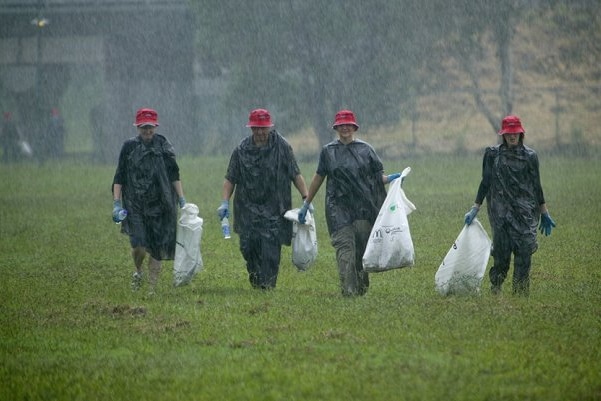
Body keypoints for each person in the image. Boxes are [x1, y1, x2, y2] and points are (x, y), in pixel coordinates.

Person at [298, 110, 403, 297]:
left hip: (363, 209)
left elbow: (378, 177)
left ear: (354, 127)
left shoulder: (366, 150)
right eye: (341, 125)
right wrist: (307, 202)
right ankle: (349, 293)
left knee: (360, 252)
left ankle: (361, 284)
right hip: (337, 210)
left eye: (348, 124)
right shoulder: (328, 152)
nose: (345, 128)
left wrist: (392, 179)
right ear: (336, 128)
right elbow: (318, 178)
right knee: (345, 250)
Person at [464, 115, 556, 296]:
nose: (512, 137)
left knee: (524, 253)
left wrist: (544, 211)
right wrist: (476, 206)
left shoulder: (530, 156)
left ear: (521, 133)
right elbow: (486, 182)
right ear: (503, 135)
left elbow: (536, 184)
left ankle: (520, 295)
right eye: (509, 133)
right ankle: (496, 287)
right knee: (501, 255)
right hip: (500, 213)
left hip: (525, 212)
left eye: (515, 133)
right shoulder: (492, 154)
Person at [217, 108, 309, 290]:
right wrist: (225, 202)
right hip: (247, 208)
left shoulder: (282, 147)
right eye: (255, 128)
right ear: (250, 128)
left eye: (263, 128)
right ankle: (256, 278)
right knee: (248, 248)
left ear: (269, 127)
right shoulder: (241, 150)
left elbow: (295, 174)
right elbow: (230, 178)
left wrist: (306, 197)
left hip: (274, 208)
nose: (259, 133)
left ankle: (268, 286)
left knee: (270, 251)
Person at [111, 108, 187, 293]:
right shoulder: (129, 147)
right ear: (138, 127)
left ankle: (152, 288)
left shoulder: (163, 145)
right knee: (139, 246)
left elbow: (173, 174)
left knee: (157, 247)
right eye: (144, 127)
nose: (147, 131)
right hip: (135, 205)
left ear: (155, 126)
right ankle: (138, 271)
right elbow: (119, 176)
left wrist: (182, 198)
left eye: (150, 127)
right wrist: (116, 203)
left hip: (162, 204)